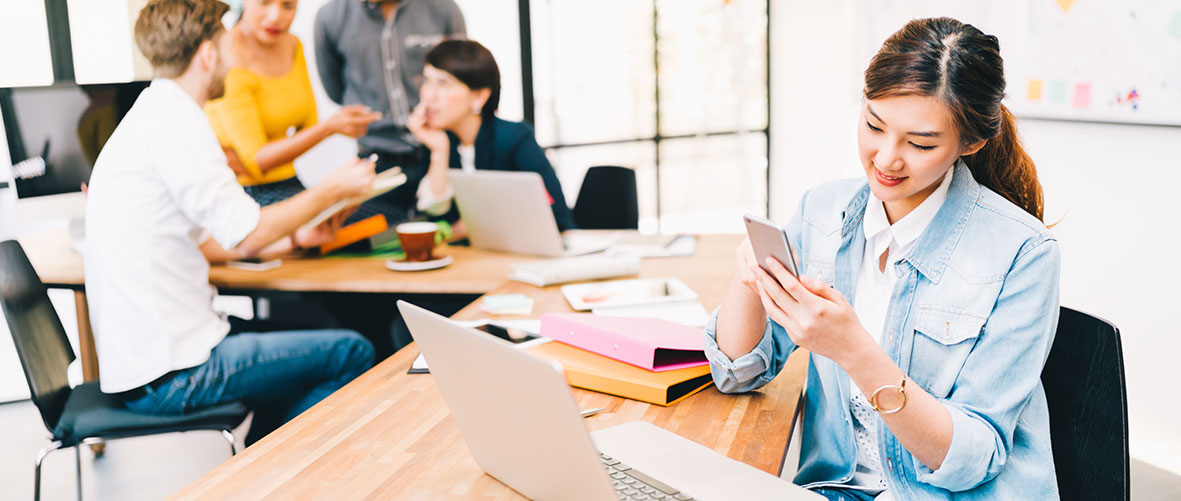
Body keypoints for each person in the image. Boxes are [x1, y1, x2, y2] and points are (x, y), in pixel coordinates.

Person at [706, 18, 1060, 500]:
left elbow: (971, 461)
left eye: (920, 144)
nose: (886, 158)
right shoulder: (822, 213)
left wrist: (854, 350)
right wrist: (748, 278)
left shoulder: (1023, 253)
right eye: (874, 124)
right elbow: (737, 373)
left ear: (970, 144)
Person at [85, 0, 378, 446]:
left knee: (304, 345)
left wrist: (298, 237)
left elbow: (213, 241)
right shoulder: (180, 124)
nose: (232, 56)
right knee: (351, 351)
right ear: (207, 54)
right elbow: (249, 232)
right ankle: (270, 473)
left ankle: (258, 467)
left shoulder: (151, 116)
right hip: (172, 373)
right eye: (226, 44)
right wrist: (333, 190)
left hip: (151, 361)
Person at [205, 0, 381, 207]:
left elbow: (308, 124)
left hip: (288, 184)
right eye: (264, 3)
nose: (275, 17)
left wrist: (332, 126)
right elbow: (256, 162)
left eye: (287, 6)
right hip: (244, 193)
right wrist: (330, 127)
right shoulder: (228, 57)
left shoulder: (293, 44)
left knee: (371, 216)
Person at [313, 0, 466, 226]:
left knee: (453, 234)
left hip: (441, 153)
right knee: (369, 240)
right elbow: (335, 90)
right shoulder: (331, 17)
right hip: (378, 162)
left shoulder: (443, 9)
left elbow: (463, 75)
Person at [408, 39, 576, 232]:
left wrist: (468, 227)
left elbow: (557, 216)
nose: (429, 95)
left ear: (479, 96)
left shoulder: (515, 138)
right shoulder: (439, 141)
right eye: (426, 81)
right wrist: (439, 152)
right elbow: (433, 223)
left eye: (443, 84)